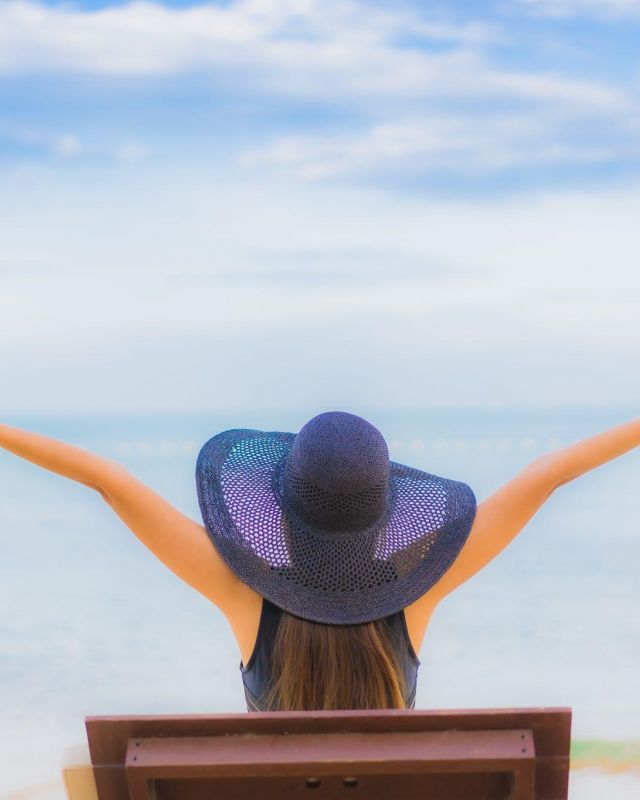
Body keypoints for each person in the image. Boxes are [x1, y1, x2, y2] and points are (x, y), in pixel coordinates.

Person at [1, 411, 638, 712]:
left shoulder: (240, 593)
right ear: (382, 513)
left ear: (281, 507)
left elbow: (105, 479)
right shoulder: (417, 594)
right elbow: (547, 476)